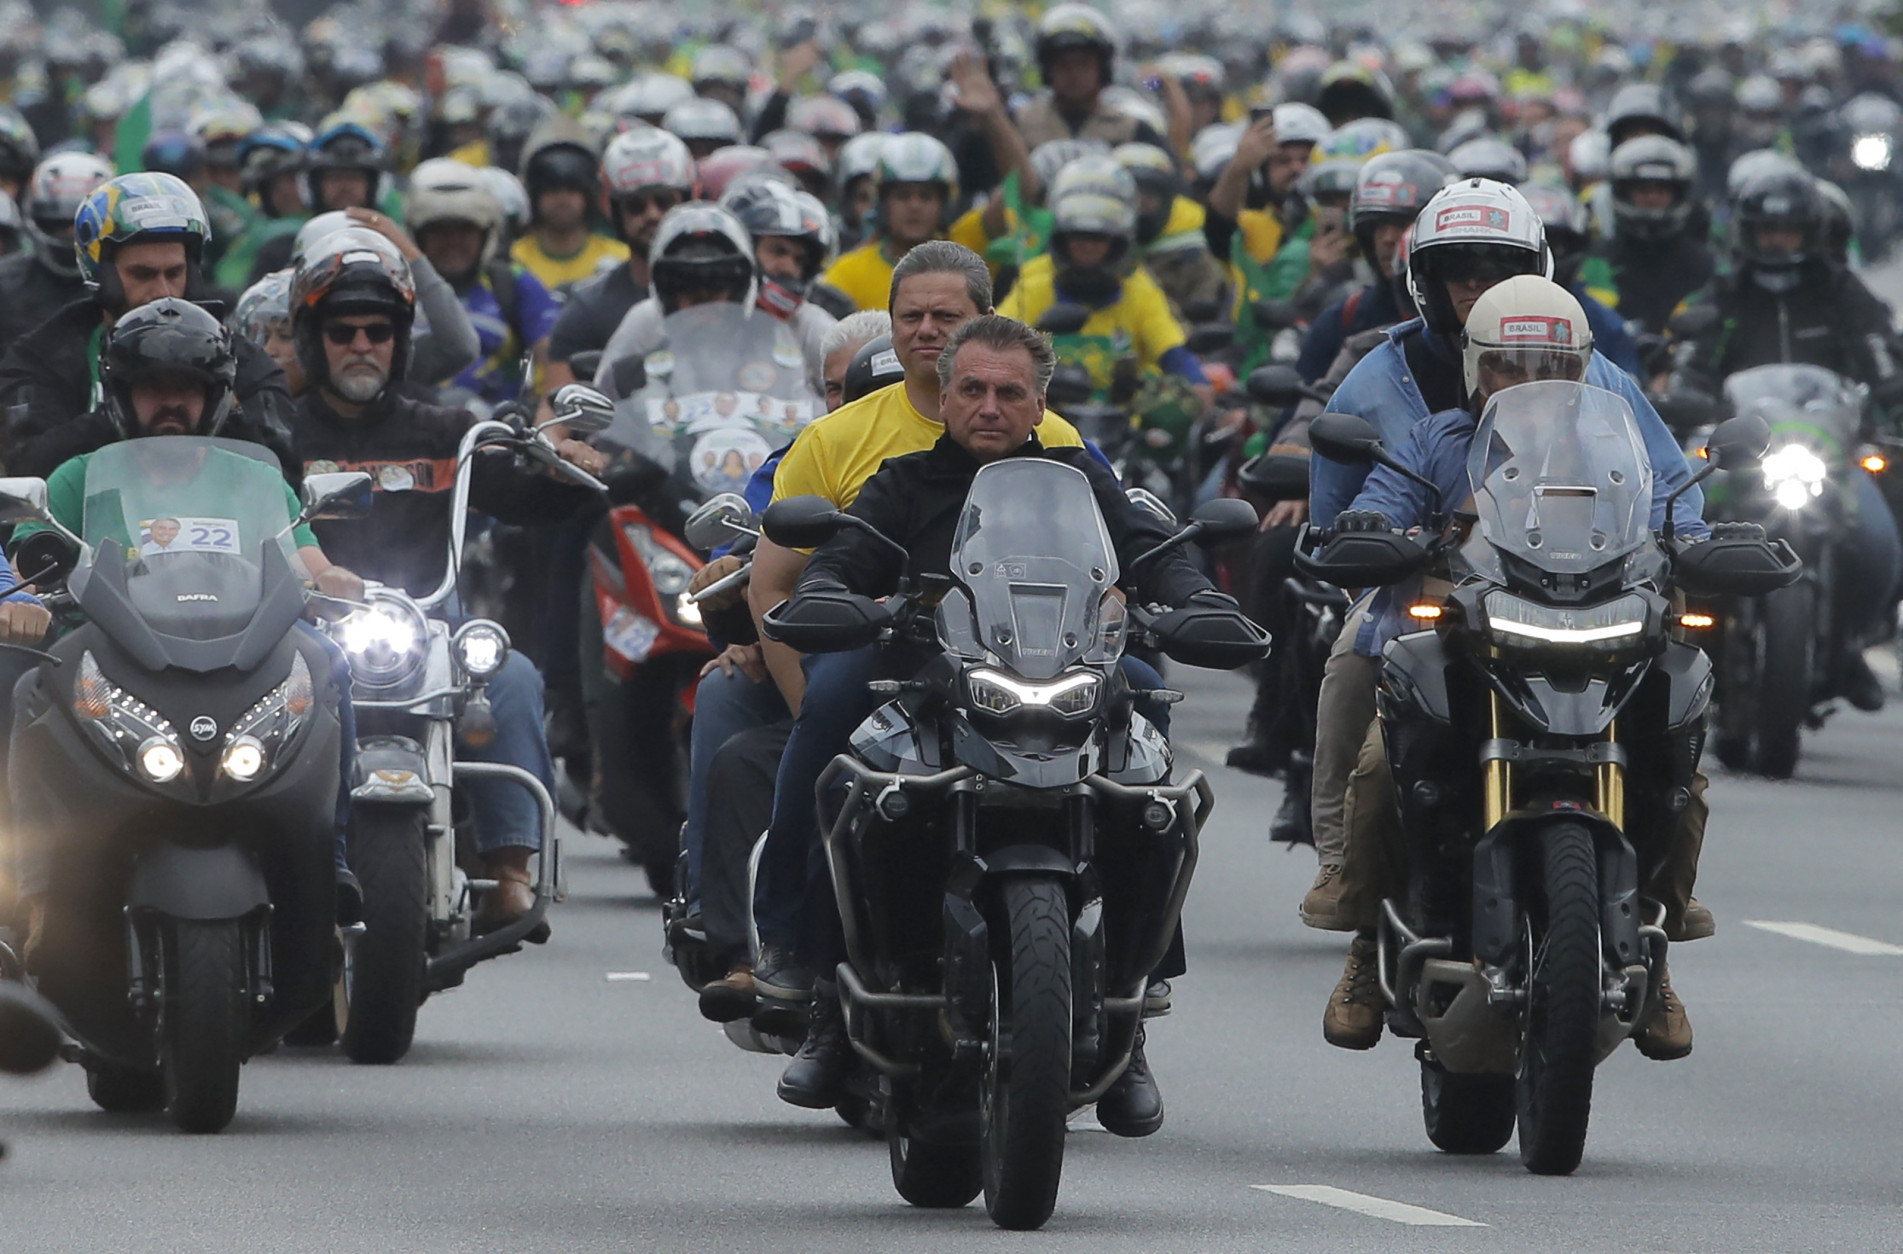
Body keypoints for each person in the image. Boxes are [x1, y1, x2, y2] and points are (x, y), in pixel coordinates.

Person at [771, 313, 1239, 1133]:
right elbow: (844, 558)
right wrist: (830, 594)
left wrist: (1193, 597)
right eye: (973, 390)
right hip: (932, 685)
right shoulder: (901, 483)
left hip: (1062, 677)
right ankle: (826, 1000)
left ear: (1039, 402)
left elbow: (1154, 548)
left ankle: (1131, 1015)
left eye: (1009, 392)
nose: (989, 406)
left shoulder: (1082, 480)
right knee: (845, 786)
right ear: (944, 396)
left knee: (1150, 780)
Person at [1313, 276, 1705, 1062]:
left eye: (1552, 365)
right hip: (1466, 638)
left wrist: (1697, 537)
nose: (1530, 382)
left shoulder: (1617, 439)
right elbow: (1386, 496)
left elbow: (1675, 500)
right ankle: (1366, 938)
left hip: (1599, 631)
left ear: (1582, 369)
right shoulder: (1436, 440)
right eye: (1508, 365)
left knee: (1677, 754)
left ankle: (1656, 942)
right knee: (1387, 767)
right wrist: (1372, 527)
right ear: (1475, 369)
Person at [6, 298, 363, 947]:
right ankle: (33, 889)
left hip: (242, 652)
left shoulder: (255, 475)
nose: (170, 404)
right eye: (152, 388)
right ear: (120, 395)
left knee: (330, 662)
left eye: (186, 389)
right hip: (109, 656)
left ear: (216, 396)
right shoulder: (78, 478)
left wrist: (332, 580)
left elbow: (303, 555)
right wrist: (24, 600)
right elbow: (30, 551)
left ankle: (330, 856)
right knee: (27, 690)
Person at [286, 226, 601, 934]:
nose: (362, 344)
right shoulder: (274, 437)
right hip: (305, 636)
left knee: (513, 675)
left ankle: (510, 874)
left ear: (400, 341)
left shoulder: (447, 430)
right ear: (314, 338)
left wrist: (567, 469)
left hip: (429, 630)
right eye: (343, 330)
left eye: (378, 330)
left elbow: (523, 496)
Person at [1668, 166, 1903, 712]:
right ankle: (1683, 640)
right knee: (1683, 527)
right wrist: (1684, 394)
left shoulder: (1843, 293)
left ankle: (1849, 648)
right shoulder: (1723, 295)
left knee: (1877, 541)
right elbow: (1693, 364)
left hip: (1830, 455)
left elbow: (1879, 354)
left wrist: (1893, 391)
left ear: (1812, 233)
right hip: (1739, 453)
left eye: (1790, 232)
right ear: (1748, 232)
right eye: (1769, 231)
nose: (1778, 242)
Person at [0, 173, 300, 484]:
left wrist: (224, 406)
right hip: (85, 529)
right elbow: (27, 469)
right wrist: (125, 401)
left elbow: (285, 477)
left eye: (174, 272)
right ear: (102, 276)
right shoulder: (43, 357)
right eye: (143, 275)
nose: (163, 291)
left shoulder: (243, 359)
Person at [997, 157, 1211, 405]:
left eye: (1098, 237)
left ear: (1119, 239)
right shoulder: (1034, 281)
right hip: (1046, 422)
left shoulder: (1139, 286)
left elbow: (1173, 351)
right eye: (1077, 236)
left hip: (1121, 428)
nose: (1087, 246)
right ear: (1059, 235)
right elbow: (997, 342)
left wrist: (1199, 387)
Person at [541, 128, 697, 405]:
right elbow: (554, 413)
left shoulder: (734, 296)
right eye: (636, 206)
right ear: (612, 210)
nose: (652, 215)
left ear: (688, 200)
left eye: (664, 201)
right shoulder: (586, 309)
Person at [404, 158, 559, 409]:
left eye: (465, 230)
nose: (452, 242)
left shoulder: (514, 283)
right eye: (439, 230)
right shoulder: (394, 286)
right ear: (417, 234)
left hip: (499, 435)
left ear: (487, 232)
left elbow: (554, 360)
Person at [1595, 135, 1716, 336]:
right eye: (1643, 189)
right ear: (1623, 191)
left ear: (1678, 193)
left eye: (1661, 190)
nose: (1652, 198)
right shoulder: (1595, 260)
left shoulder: (1705, 265)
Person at [0, 152, 114, 355]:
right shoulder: (4, 285)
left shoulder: (131, 282)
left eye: (81, 229)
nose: (69, 237)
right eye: (60, 225)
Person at [1016, 6, 1164, 149]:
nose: (1073, 73)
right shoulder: (1021, 125)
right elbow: (1009, 174)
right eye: (1063, 64)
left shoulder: (1132, 130)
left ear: (1103, 69)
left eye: (1083, 64)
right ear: (1047, 70)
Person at [511, 120, 631, 294]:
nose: (562, 199)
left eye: (572, 189)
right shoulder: (515, 261)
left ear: (589, 194)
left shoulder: (619, 260)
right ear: (535, 195)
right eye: (552, 189)